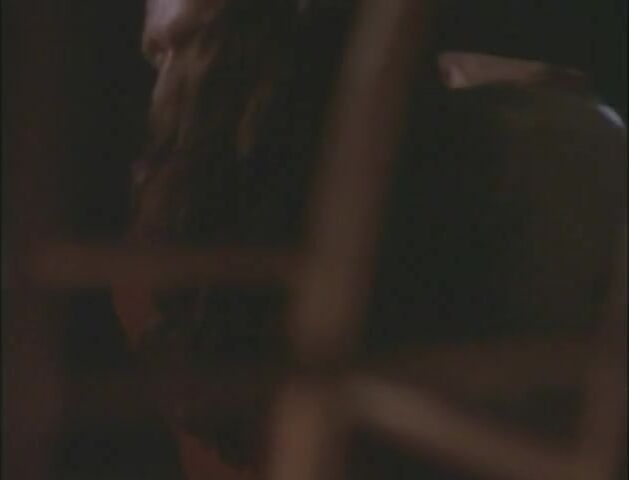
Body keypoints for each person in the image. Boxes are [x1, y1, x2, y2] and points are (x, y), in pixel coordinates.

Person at [113, 1, 626, 478]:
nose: (169, 92)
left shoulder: (553, 152)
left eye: (198, 47)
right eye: (160, 58)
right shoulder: (564, 144)